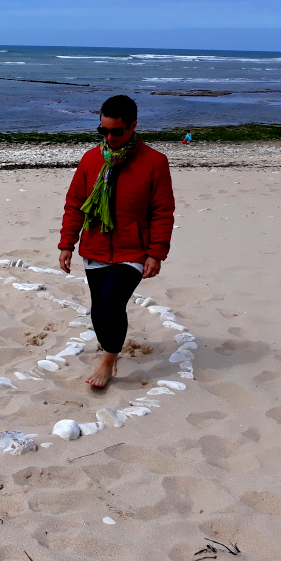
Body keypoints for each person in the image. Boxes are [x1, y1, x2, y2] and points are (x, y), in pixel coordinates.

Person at [58, 95, 175, 388]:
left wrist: (156, 253)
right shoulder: (90, 159)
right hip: (95, 246)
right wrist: (66, 244)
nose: (109, 137)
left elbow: (163, 212)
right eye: (103, 131)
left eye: (117, 131)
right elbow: (75, 203)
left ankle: (108, 360)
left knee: (111, 302)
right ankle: (111, 346)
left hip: (133, 250)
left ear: (133, 126)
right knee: (98, 310)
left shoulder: (155, 162)